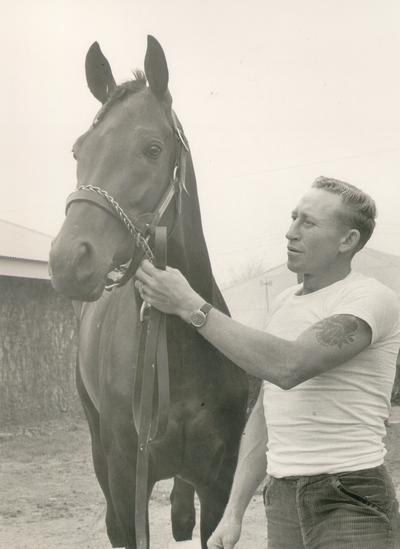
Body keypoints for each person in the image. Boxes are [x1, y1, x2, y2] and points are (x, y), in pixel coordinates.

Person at [135, 176, 400, 549]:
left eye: (308, 222)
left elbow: (289, 366)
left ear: (347, 241)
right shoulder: (284, 302)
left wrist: (188, 304)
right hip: (282, 499)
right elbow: (266, 410)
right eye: (293, 218)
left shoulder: (371, 298)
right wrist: (234, 512)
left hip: (349, 496)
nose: (291, 233)